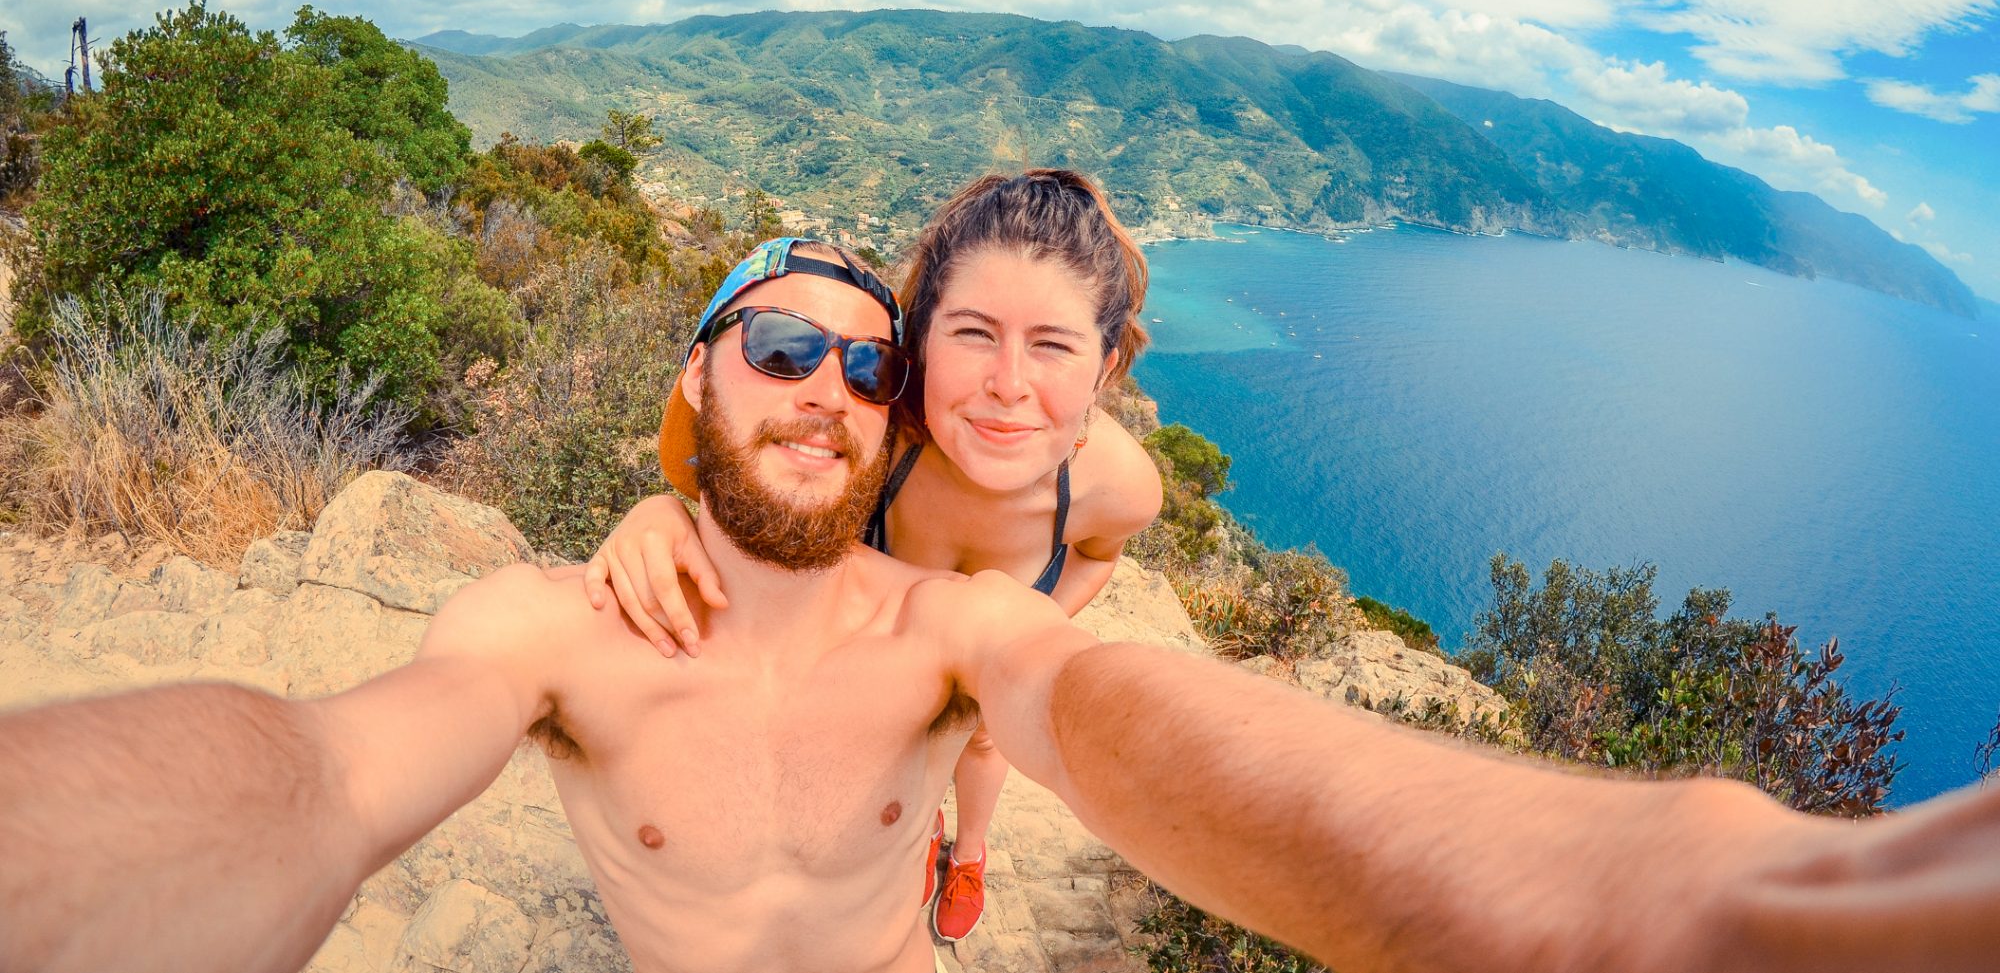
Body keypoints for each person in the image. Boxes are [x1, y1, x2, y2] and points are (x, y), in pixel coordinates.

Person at [5, 238, 2000, 973]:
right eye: (778, 345)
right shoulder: (552, 627)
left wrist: (1661, 895)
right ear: (692, 381)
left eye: (871, 369)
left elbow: (1141, 723)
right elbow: (318, 777)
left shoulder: (956, 625)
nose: (827, 388)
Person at [588, 169, 1165, 941]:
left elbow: (1100, 551)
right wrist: (661, 514)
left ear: (1103, 368)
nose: (1007, 386)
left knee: (982, 741)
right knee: (908, 745)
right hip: (887, 648)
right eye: (973, 333)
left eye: (1055, 345)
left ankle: (969, 850)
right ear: (922, 341)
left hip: (999, 643)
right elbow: (757, 482)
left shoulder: (1118, 485)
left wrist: (1041, 617)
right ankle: (915, 831)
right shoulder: (878, 429)